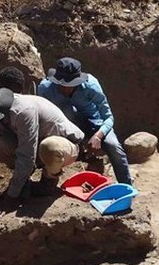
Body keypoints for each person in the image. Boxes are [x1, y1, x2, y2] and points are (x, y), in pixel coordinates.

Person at [0, 84, 83, 203]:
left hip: (65, 146)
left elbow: (26, 156)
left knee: (49, 148)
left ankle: (48, 183)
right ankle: (24, 182)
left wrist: (11, 197)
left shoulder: (22, 112)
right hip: (35, 146)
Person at [38, 57, 132, 185]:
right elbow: (43, 117)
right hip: (66, 125)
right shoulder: (45, 89)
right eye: (62, 85)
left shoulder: (91, 86)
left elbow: (109, 117)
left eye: (70, 86)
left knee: (114, 146)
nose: (65, 89)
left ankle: (126, 186)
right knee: (50, 146)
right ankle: (49, 179)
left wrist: (98, 136)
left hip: (94, 123)